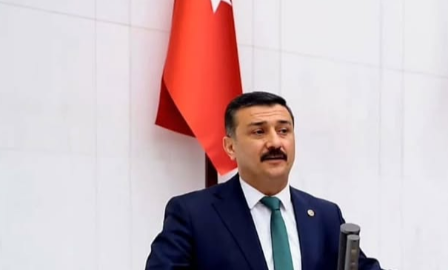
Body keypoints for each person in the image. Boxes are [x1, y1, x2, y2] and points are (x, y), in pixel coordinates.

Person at [146, 91, 383, 270]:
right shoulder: (193, 214)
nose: (275, 143)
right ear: (230, 147)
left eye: (283, 131)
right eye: (259, 132)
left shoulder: (325, 216)